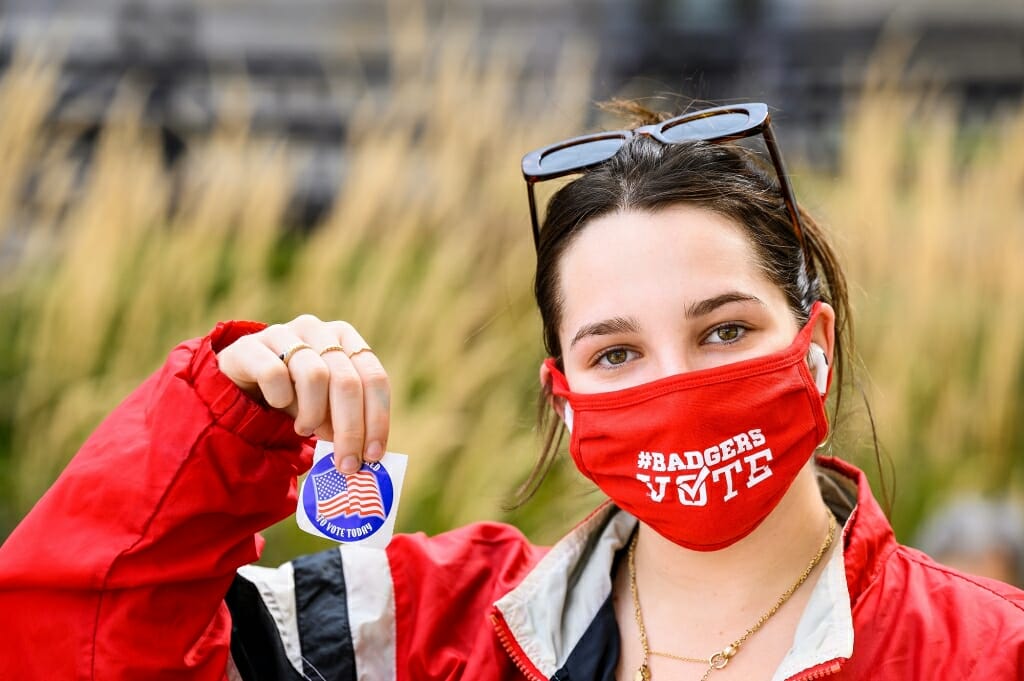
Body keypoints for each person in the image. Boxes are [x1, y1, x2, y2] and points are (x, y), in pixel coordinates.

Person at [1, 102, 1022, 681]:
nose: (677, 382)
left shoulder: (988, 651)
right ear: (563, 392)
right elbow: (72, 650)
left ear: (815, 344)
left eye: (723, 330)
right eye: (615, 353)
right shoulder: (412, 630)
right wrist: (221, 422)